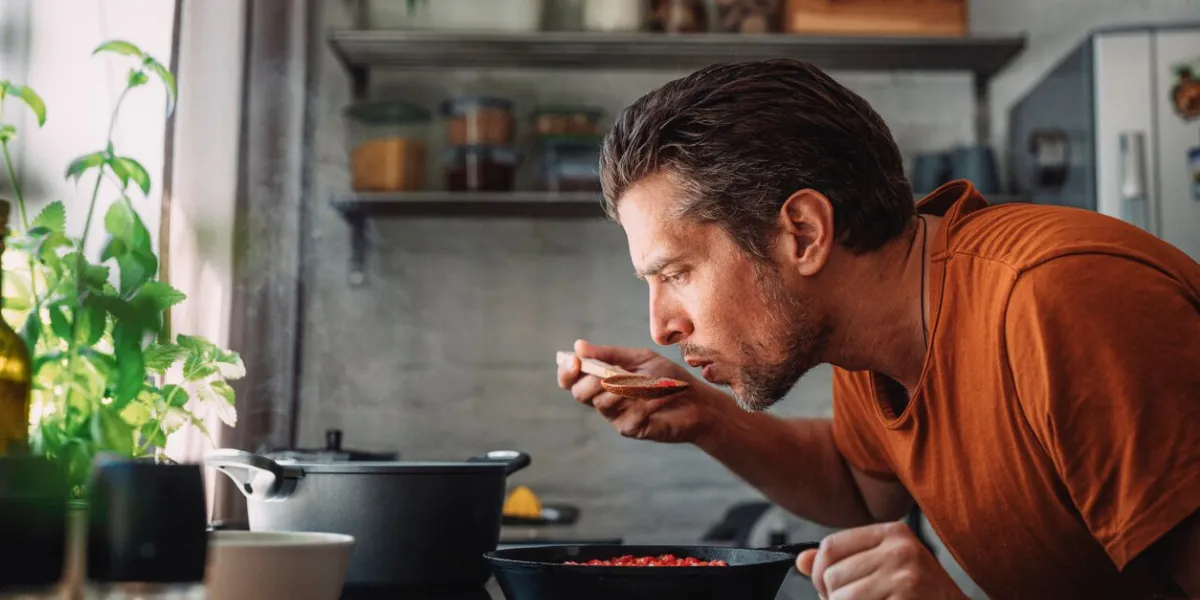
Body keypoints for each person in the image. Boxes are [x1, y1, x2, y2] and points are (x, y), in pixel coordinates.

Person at [557, 59, 1200, 600]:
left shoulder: (1060, 302)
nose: (661, 327)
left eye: (677, 273)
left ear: (803, 233)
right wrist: (706, 417)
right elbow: (864, 490)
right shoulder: (869, 328)